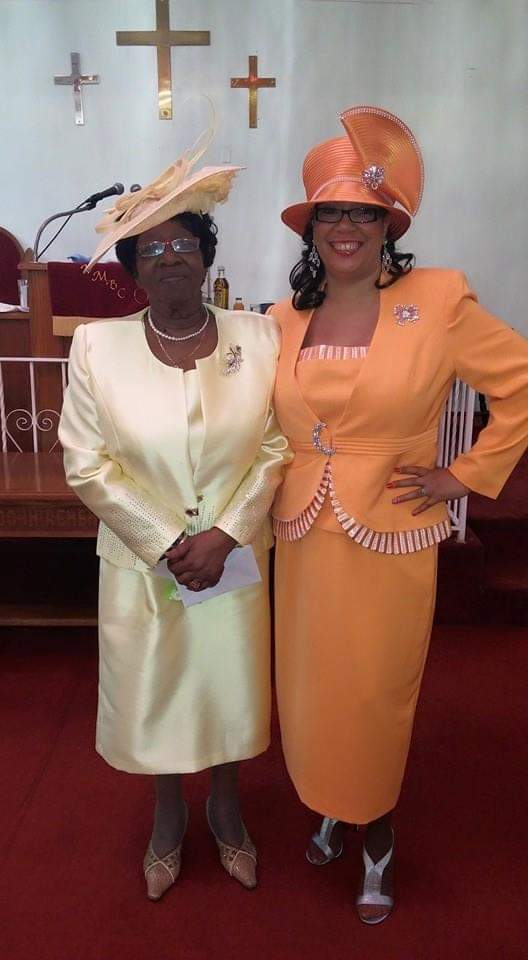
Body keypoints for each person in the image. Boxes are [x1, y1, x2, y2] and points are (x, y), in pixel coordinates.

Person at [270, 105, 528, 924]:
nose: (346, 227)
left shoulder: (439, 300)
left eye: (363, 212)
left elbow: (520, 383)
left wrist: (466, 475)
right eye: (332, 212)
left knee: (375, 691)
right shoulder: (281, 322)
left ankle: (375, 835)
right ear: (312, 227)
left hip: (390, 536)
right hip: (303, 537)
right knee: (310, 692)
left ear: (388, 222)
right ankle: (330, 803)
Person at [58, 142, 290, 901]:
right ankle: (166, 815)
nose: (169, 259)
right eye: (150, 248)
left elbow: (276, 444)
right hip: (141, 561)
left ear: (205, 253)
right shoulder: (97, 347)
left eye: (182, 244)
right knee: (155, 689)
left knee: (226, 686)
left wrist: (224, 535)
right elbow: (86, 462)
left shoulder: (260, 339)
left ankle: (225, 806)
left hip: (233, 557)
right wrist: (166, 544)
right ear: (132, 268)